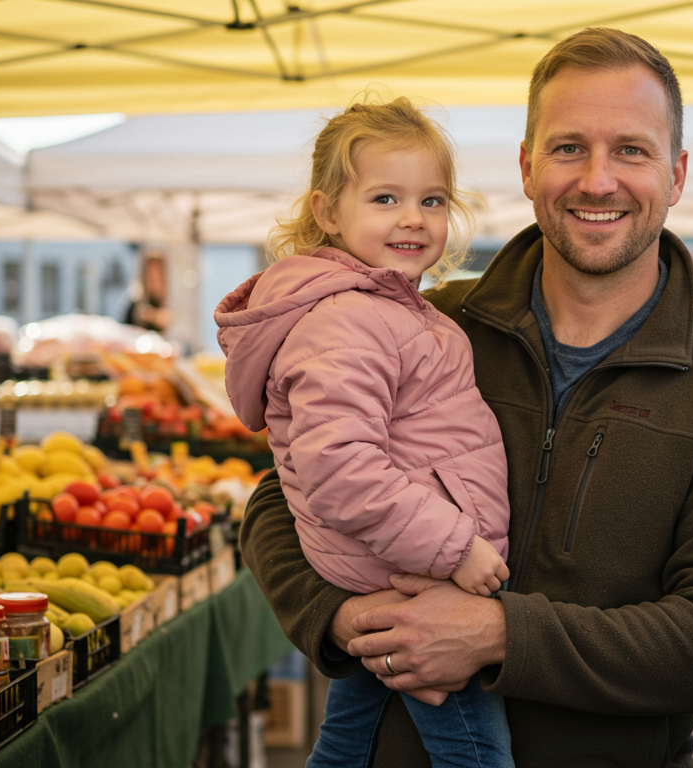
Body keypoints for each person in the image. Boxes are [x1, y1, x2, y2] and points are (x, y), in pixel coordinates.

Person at [237, 28, 693, 766]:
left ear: (676, 174)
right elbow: (282, 495)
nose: (597, 180)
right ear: (528, 168)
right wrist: (341, 617)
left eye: (631, 150)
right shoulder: (431, 326)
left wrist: (498, 634)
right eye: (569, 148)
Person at [215, 99, 514, 767]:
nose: (413, 217)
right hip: (411, 577)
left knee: (348, 742)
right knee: (475, 753)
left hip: (388, 565)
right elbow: (341, 471)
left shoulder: (387, 309)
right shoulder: (347, 320)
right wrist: (456, 549)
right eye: (385, 198)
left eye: (432, 200)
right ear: (327, 212)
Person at [124, 247, 172, 333]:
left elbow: (167, 319)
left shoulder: (170, 299)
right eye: (151, 275)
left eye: (157, 274)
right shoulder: (135, 299)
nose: (154, 279)